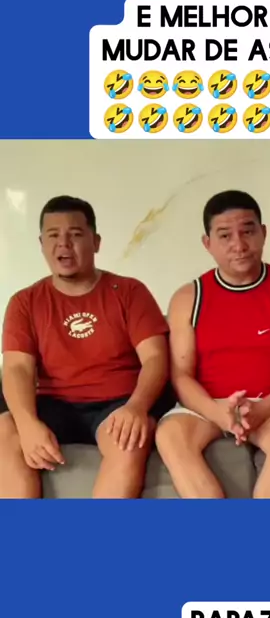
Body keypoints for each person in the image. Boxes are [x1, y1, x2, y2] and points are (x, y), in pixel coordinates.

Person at [0, 195, 173, 499]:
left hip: (117, 403)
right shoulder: (25, 302)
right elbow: (16, 368)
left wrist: (137, 407)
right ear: (42, 244)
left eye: (76, 235)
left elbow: (156, 357)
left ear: (96, 242)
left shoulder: (129, 291)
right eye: (53, 236)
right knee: (6, 428)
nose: (64, 244)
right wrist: (27, 425)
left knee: (127, 441)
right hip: (54, 403)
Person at [155, 190, 270, 499]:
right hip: (208, 406)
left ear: (263, 233)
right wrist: (219, 414)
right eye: (225, 236)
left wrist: (264, 408)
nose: (239, 245)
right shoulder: (188, 298)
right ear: (207, 243)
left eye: (248, 232)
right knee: (171, 435)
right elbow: (181, 374)